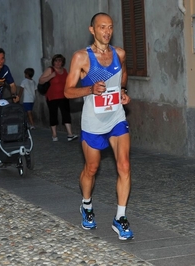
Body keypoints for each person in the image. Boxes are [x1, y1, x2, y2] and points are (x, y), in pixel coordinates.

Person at [64, 12, 133, 240]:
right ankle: (87, 204)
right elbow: (67, 91)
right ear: (92, 29)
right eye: (102, 27)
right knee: (91, 169)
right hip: (93, 121)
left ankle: (120, 217)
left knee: (124, 165)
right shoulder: (81, 58)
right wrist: (90, 90)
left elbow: (122, 81)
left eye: (110, 27)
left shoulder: (119, 54)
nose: (107, 31)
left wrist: (123, 94)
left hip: (116, 118)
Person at [39, 54, 78, 142]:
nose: (58, 63)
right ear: (53, 62)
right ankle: (54, 135)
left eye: (60, 61)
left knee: (66, 114)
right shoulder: (50, 70)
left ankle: (70, 134)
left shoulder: (64, 70)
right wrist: (50, 76)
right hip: (52, 97)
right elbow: (41, 81)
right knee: (53, 115)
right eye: (56, 61)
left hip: (63, 96)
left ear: (62, 62)